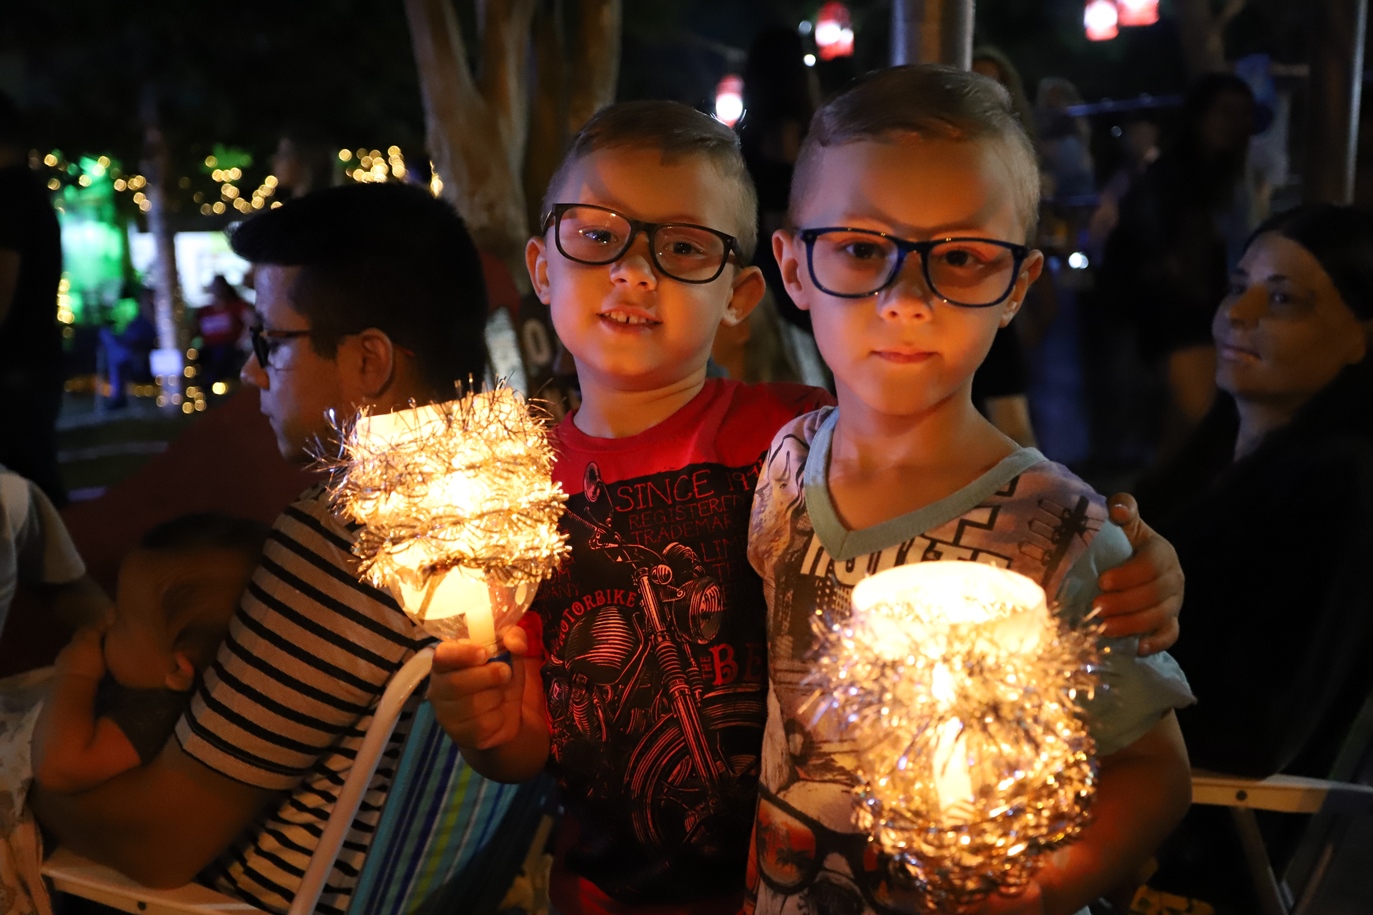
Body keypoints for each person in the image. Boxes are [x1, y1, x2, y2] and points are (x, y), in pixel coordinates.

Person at [429, 99, 1187, 915]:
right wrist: (489, 729)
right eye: (861, 250)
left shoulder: (789, 443)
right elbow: (529, 724)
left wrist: (1131, 553)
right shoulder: (767, 466)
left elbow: (1148, 763)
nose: (634, 272)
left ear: (746, 290)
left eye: (682, 245)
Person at [746, 65, 1194, 915]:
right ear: (793, 267)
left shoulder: (1056, 529)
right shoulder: (786, 463)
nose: (904, 298)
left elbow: (1152, 770)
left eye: (958, 257)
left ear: (1015, 286)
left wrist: (1034, 894)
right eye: (860, 248)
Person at [30, 182, 491, 914]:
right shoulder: (498, 497)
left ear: (368, 361)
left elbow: (157, 842)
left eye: (270, 343)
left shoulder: (352, 537)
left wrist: (26, 790)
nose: (250, 371)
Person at [1136, 205, 1373, 912]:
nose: (1235, 314)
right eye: (1238, 285)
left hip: (1181, 845)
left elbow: (1254, 731)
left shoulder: (1338, 488)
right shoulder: (1221, 457)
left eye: (1282, 299)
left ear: (1362, 337)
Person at [0, 514, 265, 915]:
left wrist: (76, 675)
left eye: (122, 618)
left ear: (177, 669)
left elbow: (60, 768)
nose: (106, 622)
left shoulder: (153, 716)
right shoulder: (163, 687)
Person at [1102, 73, 1260, 458]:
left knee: (1183, 437)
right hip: (1181, 313)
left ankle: (1165, 494)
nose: (1235, 123)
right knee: (1207, 426)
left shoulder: (1234, 178)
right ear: (1199, 116)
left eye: (1243, 114)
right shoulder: (1173, 176)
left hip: (1211, 310)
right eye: (1224, 112)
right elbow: (1150, 248)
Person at [0, 91, 66, 506]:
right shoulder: (30, 193)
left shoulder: (6, 196)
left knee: (21, 489)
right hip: (33, 360)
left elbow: (1, 286)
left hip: (12, 365)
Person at [195, 275, 251, 386]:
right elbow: (194, 330)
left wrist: (241, 341)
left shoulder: (235, 306)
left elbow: (251, 321)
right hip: (208, 349)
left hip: (229, 349)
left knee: (222, 357)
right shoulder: (204, 311)